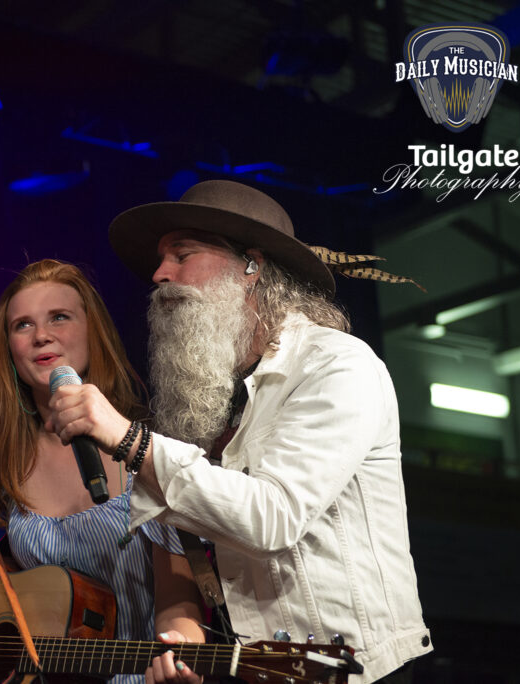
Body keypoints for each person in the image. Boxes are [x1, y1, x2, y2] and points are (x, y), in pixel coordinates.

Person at [47, 180, 433, 684]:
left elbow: (274, 518)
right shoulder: (201, 395)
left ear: (251, 266)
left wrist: (127, 439)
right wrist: (181, 640)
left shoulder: (338, 365)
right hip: (255, 669)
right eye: (161, 261)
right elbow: (182, 554)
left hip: (356, 672)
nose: (160, 275)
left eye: (182, 255)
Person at [0, 259, 206, 684]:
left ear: (93, 331)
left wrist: (181, 654)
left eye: (59, 317)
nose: (42, 335)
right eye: (23, 325)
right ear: (8, 348)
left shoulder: (147, 449)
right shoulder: (1, 462)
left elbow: (179, 601)